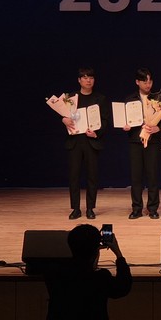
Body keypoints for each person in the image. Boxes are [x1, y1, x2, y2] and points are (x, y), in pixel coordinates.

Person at [44, 223, 132, 320]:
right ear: (95, 251)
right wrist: (118, 254)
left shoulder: (54, 273)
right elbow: (123, 287)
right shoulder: (101, 278)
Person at [60, 67, 110, 220]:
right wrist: (63, 119)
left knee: (92, 176)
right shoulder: (70, 98)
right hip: (75, 142)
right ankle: (75, 208)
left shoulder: (100, 98)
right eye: (85, 78)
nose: (88, 80)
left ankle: (90, 208)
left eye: (91, 78)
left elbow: (105, 121)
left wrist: (96, 133)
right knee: (74, 176)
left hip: (91, 141)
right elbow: (63, 115)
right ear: (79, 80)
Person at [123, 68, 161, 220]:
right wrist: (125, 125)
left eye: (150, 81)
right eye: (144, 82)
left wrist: (158, 128)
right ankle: (136, 208)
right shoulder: (130, 99)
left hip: (152, 141)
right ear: (137, 82)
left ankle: (153, 208)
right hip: (135, 141)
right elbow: (124, 119)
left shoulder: (158, 98)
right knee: (136, 177)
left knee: (152, 175)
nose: (148, 85)